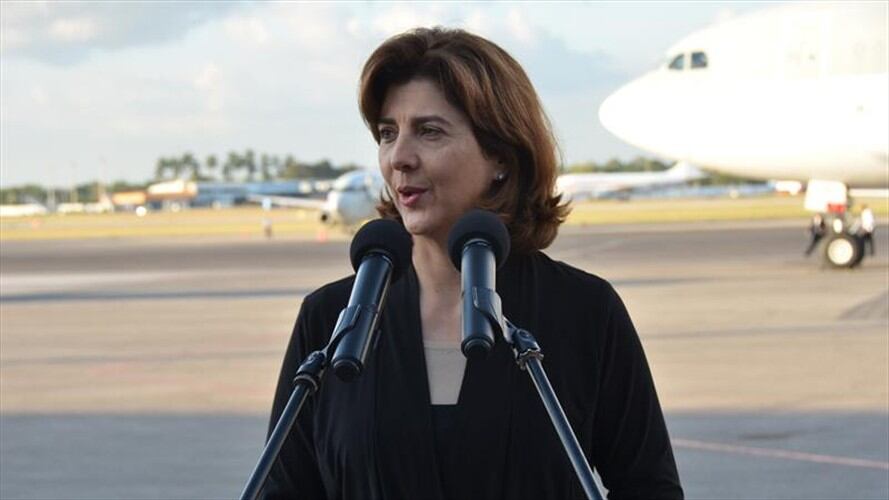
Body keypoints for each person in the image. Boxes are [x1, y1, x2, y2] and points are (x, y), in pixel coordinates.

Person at [263, 27, 683, 500]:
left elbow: (649, 487)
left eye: (429, 131)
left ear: (500, 156)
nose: (399, 157)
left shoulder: (583, 311)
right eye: (387, 133)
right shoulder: (330, 318)